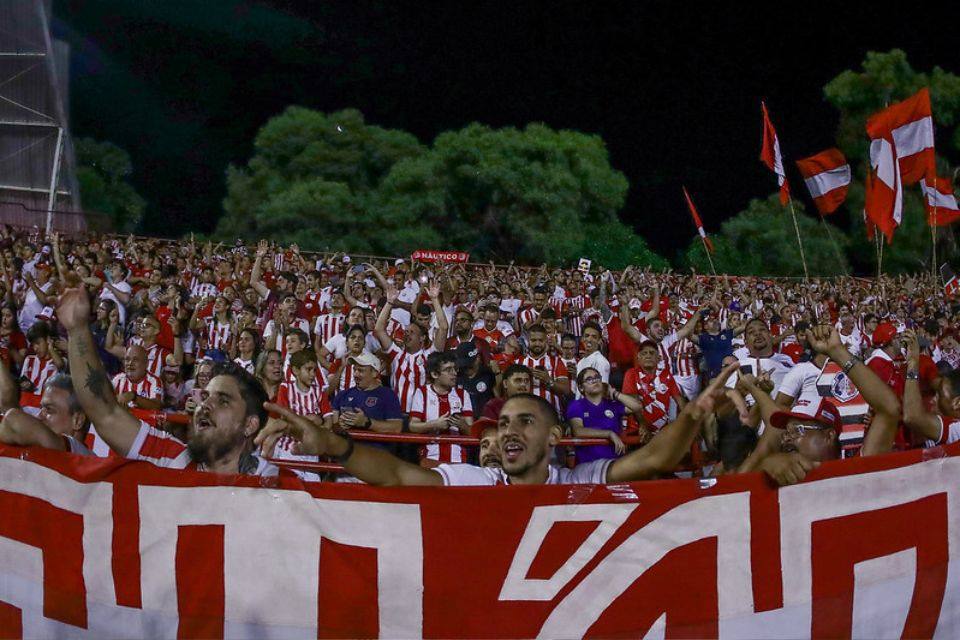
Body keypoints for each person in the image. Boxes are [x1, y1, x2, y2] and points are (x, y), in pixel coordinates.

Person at [255, 362, 739, 486]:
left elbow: (658, 457)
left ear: (555, 437)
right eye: (504, 421)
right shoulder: (478, 480)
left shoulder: (580, 479)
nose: (508, 430)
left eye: (524, 421)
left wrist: (694, 415)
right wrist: (335, 446)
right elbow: (400, 474)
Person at [57, 286, 277, 475]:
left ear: (250, 425)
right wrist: (77, 330)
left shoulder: (269, 481)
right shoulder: (173, 458)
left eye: (224, 400)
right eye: (206, 396)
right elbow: (105, 413)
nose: (205, 406)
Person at [735, 325, 902, 485]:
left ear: (829, 436)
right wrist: (765, 466)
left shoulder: (857, 469)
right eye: (787, 432)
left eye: (798, 429)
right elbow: (772, 427)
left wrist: (838, 352)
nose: (786, 437)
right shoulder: (778, 479)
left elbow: (889, 408)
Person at [375, 280, 448, 412]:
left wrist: (435, 300)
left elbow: (443, 328)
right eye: (406, 332)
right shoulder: (396, 354)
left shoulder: (430, 355)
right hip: (396, 413)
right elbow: (379, 329)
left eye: (412, 332)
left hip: (422, 414)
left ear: (422, 338)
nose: (407, 334)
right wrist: (390, 303)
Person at [566, 367, 644, 464]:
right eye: (589, 379)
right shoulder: (576, 405)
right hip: (588, 465)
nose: (595, 381)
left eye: (597, 377)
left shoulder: (612, 404)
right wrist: (609, 434)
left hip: (615, 465)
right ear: (581, 387)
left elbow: (638, 407)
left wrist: (615, 393)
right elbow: (578, 431)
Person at [409, 351, 474, 464]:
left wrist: (462, 425)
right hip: (430, 459)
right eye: (448, 370)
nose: (454, 373)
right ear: (434, 374)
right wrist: (434, 424)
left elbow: (471, 431)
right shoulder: (422, 392)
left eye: (455, 369)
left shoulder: (463, 394)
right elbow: (412, 426)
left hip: (458, 460)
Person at [518, 324, 570, 411]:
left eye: (540, 340)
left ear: (545, 340)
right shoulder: (518, 362)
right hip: (526, 412)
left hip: (552, 413)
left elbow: (566, 390)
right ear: (528, 341)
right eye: (534, 340)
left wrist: (548, 380)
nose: (537, 344)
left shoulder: (556, 362)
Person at [455, 341, 496, 416]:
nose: (465, 367)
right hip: (463, 418)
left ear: (477, 358)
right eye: (463, 364)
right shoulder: (457, 377)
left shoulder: (488, 375)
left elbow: (497, 398)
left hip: (485, 419)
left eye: (468, 364)